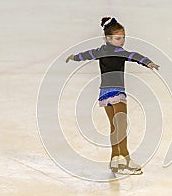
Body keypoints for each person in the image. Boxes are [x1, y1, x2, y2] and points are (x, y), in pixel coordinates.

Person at [65, 17, 159, 175]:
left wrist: (74, 57)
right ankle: (126, 159)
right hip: (116, 92)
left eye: (123, 37)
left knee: (114, 128)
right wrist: (148, 62)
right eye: (118, 38)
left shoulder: (100, 51)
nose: (122, 41)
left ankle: (115, 159)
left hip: (104, 94)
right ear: (108, 38)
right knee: (120, 128)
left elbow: (86, 54)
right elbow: (134, 56)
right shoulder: (119, 53)